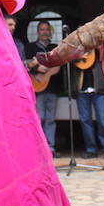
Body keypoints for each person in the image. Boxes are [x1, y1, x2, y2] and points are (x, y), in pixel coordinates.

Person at [28, 20, 61, 156]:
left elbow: (59, 64)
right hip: (37, 86)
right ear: (37, 32)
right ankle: (40, 149)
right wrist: (37, 67)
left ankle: (50, 148)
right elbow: (26, 63)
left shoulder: (55, 48)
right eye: (42, 29)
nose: (45, 32)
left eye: (47, 29)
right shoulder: (30, 47)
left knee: (51, 119)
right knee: (40, 118)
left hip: (52, 88)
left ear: (50, 32)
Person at [76, 49, 104, 159]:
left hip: (99, 90)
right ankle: (91, 149)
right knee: (85, 121)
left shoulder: (98, 49)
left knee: (103, 119)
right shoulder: (76, 51)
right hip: (82, 91)